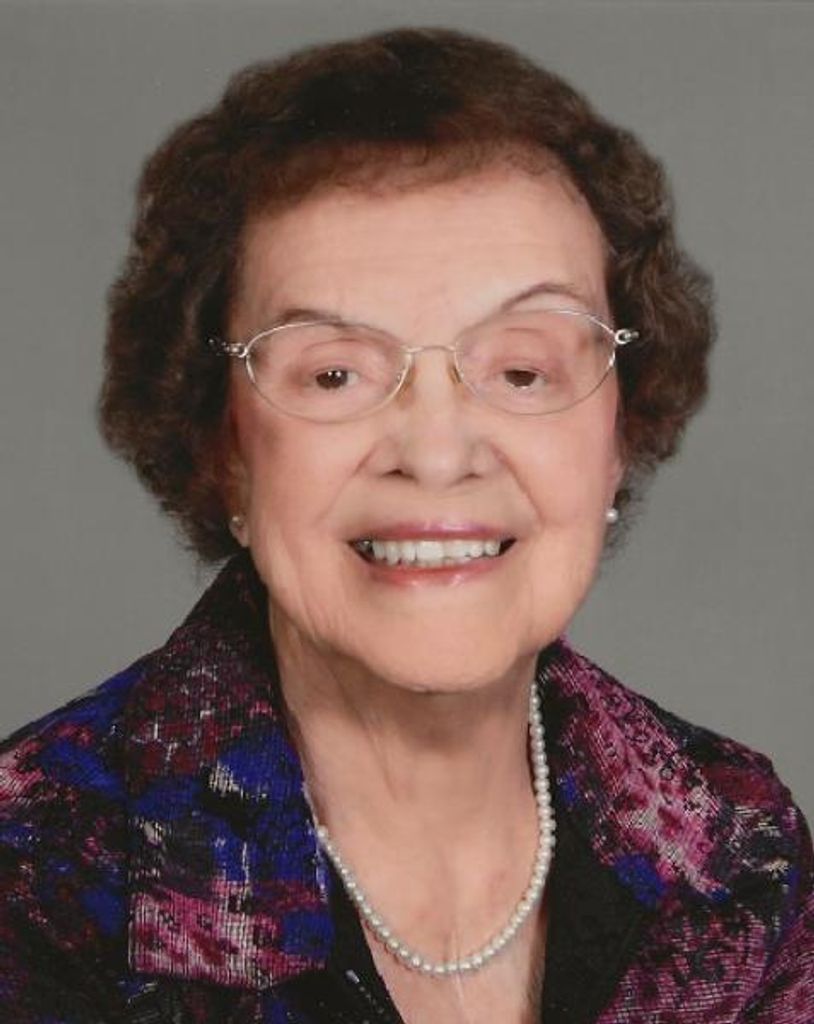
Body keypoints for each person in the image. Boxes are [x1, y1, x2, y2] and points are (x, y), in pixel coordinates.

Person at [0, 24, 811, 1024]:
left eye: (523, 370)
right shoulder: (38, 873)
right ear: (224, 450)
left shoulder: (733, 847)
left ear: (617, 434)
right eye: (335, 373)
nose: (435, 451)